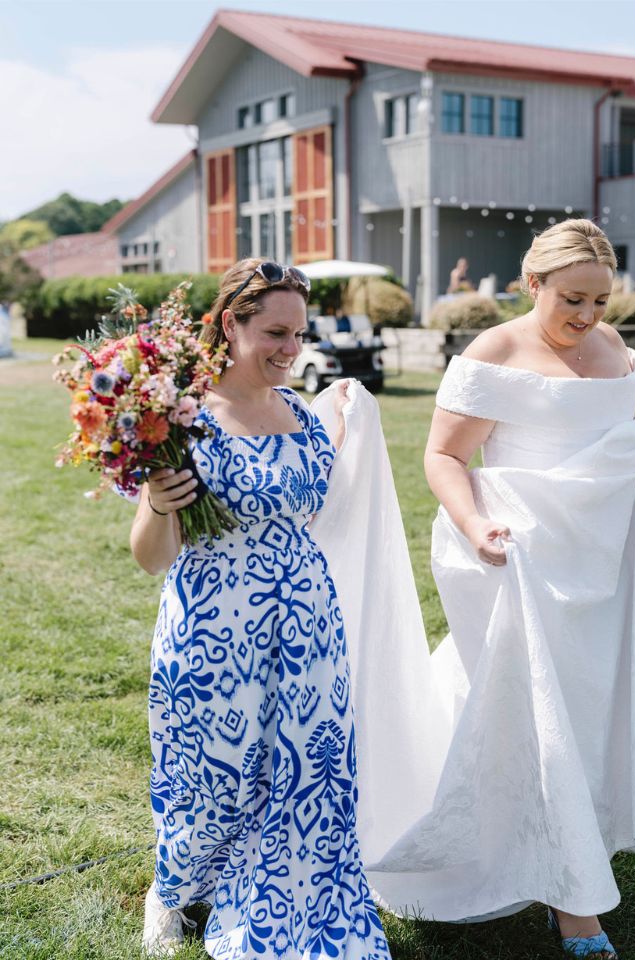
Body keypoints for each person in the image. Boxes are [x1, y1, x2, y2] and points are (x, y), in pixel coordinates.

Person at [304, 219, 635, 960]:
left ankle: (559, 844)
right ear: (533, 285)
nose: (588, 317)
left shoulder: (617, 351)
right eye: (572, 299)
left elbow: (604, 446)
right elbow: (443, 456)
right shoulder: (493, 352)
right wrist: (473, 526)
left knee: (592, 713)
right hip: (520, 555)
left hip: (604, 557)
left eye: (600, 300)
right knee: (539, 715)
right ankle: (575, 905)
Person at [131, 258, 389, 959]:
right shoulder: (183, 420)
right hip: (215, 625)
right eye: (275, 331)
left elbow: (313, 504)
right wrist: (158, 502)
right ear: (231, 323)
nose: (289, 348)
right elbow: (151, 556)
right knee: (210, 773)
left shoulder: (302, 416)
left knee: (305, 769)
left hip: (306, 625)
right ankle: (174, 888)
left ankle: (276, 895)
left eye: (298, 334)